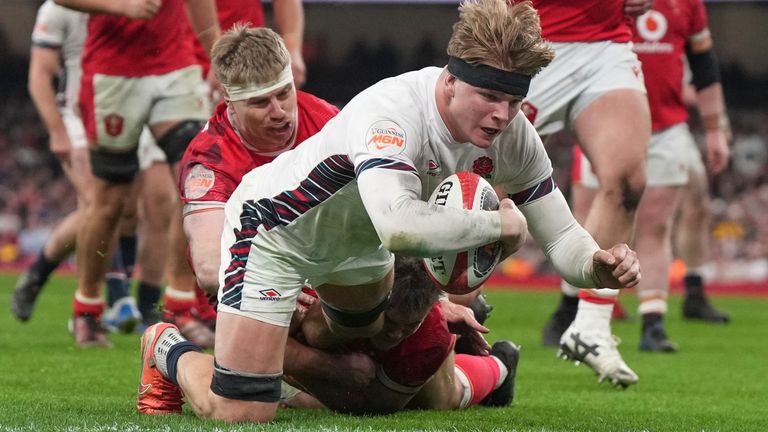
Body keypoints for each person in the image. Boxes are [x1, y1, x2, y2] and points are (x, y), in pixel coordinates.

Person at [138, 0, 640, 423]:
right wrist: (497, 225)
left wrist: (601, 264)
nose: (502, 115)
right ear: (449, 83)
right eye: (488, 97)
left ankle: (273, 366)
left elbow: (563, 239)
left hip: (359, 249)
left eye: (513, 102)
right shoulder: (393, 111)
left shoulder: (513, 135)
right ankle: (169, 349)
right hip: (277, 236)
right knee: (243, 414)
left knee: (368, 387)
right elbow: (399, 227)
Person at [53, 0, 220, 347]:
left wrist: (215, 51)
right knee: (110, 202)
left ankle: (179, 306)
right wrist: (121, 6)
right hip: (112, 74)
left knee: (196, 182)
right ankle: (87, 308)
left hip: (177, 68)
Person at [572, 0, 731, 351]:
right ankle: (574, 311)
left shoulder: (689, 5)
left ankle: (653, 322)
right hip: (604, 124)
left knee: (656, 223)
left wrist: (715, 129)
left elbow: (704, 66)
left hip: (666, 128)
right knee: (587, 218)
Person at [527, 0, 652, 386]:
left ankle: (592, 326)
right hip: (529, 38)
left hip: (605, 45)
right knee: (485, 191)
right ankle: (437, 323)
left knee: (627, 183)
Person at [12, 0, 142, 336]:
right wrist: (57, 130)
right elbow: (39, 75)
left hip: (124, 118)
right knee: (102, 205)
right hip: (77, 120)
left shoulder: (133, 6)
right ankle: (112, 300)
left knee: (121, 210)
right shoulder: (59, 9)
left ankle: (39, 270)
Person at [288, 256, 520, 415]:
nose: (396, 333)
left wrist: (308, 369)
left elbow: (378, 405)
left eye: (409, 325)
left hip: (422, 317)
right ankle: (463, 312)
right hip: (351, 294)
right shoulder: (319, 290)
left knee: (440, 400)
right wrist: (330, 368)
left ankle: (501, 363)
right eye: (390, 321)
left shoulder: (429, 332)